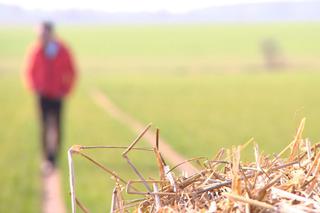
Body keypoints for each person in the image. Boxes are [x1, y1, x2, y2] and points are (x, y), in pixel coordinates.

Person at [24, 21, 76, 171]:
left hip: (58, 95)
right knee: (44, 127)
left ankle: (55, 157)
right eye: (40, 34)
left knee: (57, 126)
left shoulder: (62, 49)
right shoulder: (36, 50)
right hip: (43, 95)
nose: (42, 37)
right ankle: (47, 158)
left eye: (44, 34)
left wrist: (66, 90)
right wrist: (35, 87)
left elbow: (72, 71)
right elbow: (29, 71)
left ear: (51, 33)